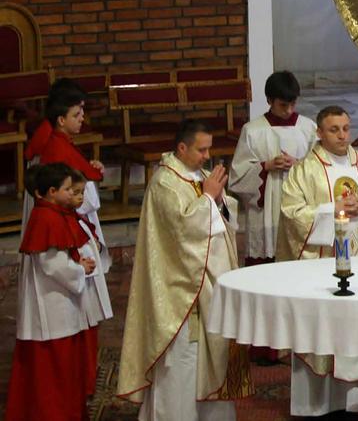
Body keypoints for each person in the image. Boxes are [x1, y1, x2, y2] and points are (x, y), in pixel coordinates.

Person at [117, 120, 251, 420]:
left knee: (213, 359)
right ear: (181, 148)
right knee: (183, 368)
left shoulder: (198, 175)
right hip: (182, 295)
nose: (207, 156)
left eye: (208, 149)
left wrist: (217, 199)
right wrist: (208, 198)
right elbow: (181, 232)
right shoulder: (165, 183)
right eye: (201, 149)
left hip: (211, 287)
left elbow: (221, 213)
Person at [278, 105, 358, 418]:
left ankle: (356, 402)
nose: (343, 135)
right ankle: (317, 404)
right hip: (324, 270)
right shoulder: (306, 170)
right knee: (324, 332)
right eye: (334, 129)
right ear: (319, 132)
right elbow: (292, 213)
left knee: (357, 329)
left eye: (346, 128)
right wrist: (335, 210)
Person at [5, 163, 94, 421]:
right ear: (52, 191)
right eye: (68, 189)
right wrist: (79, 269)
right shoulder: (46, 217)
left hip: (60, 302)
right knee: (53, 373)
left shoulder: (54, 213)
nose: (72, 193)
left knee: (64, 370)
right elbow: (52, 264)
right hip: (52, 306)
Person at [229, 70, 317, 267]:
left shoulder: (308, 128)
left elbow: (319, 167)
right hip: (266, 204)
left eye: (293, 104)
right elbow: (237, 176)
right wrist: (266, 166)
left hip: (298, 201)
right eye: (283, 105)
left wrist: (298, 164)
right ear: (269, 100)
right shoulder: (253, 130)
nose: (288, 110)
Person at [22, 86, 105, 239]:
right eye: (77, 114)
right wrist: (90, 179)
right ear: (61, 119)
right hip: (65, 224)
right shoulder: (56, 147)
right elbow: (74, 197)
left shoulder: (59, 140)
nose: (82, 118)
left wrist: (92, 169)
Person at [69, 169, 113, 397]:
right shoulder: (58, 221)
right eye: (75, 192)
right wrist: (78, 268)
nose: (81, 198)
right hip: (74, 292)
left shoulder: (76, 218)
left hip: (85, 284)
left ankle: (86, 383)